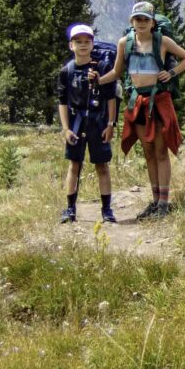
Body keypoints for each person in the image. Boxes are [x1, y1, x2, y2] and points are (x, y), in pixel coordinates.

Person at [96, 1, 185, 219]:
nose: (141, 23)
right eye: (137, 19)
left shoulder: (163, 41)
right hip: (137, 102)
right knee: (148, 152)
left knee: (160, 151)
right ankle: (156, 199)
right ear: (132, 21)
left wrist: (172, 73)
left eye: (145, 19)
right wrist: (98, 82)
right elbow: (117, 72)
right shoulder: (125, 43)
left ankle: (164, 203)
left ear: (152, 22)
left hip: (157, 99)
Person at [56, 24, 118, 224]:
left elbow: (110, 98)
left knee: (102, 165)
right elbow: (63, 101)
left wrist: (110, 124)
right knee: (74, 165)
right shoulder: (66, 71)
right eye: (78, 42)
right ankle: (70, 208)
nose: (83, 45)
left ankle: (107, 210)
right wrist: (65, 129)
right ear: (71, 45)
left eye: (87, 41)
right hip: (76, 123)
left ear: (92, 44)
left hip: (98, 122)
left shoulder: (101, 68)